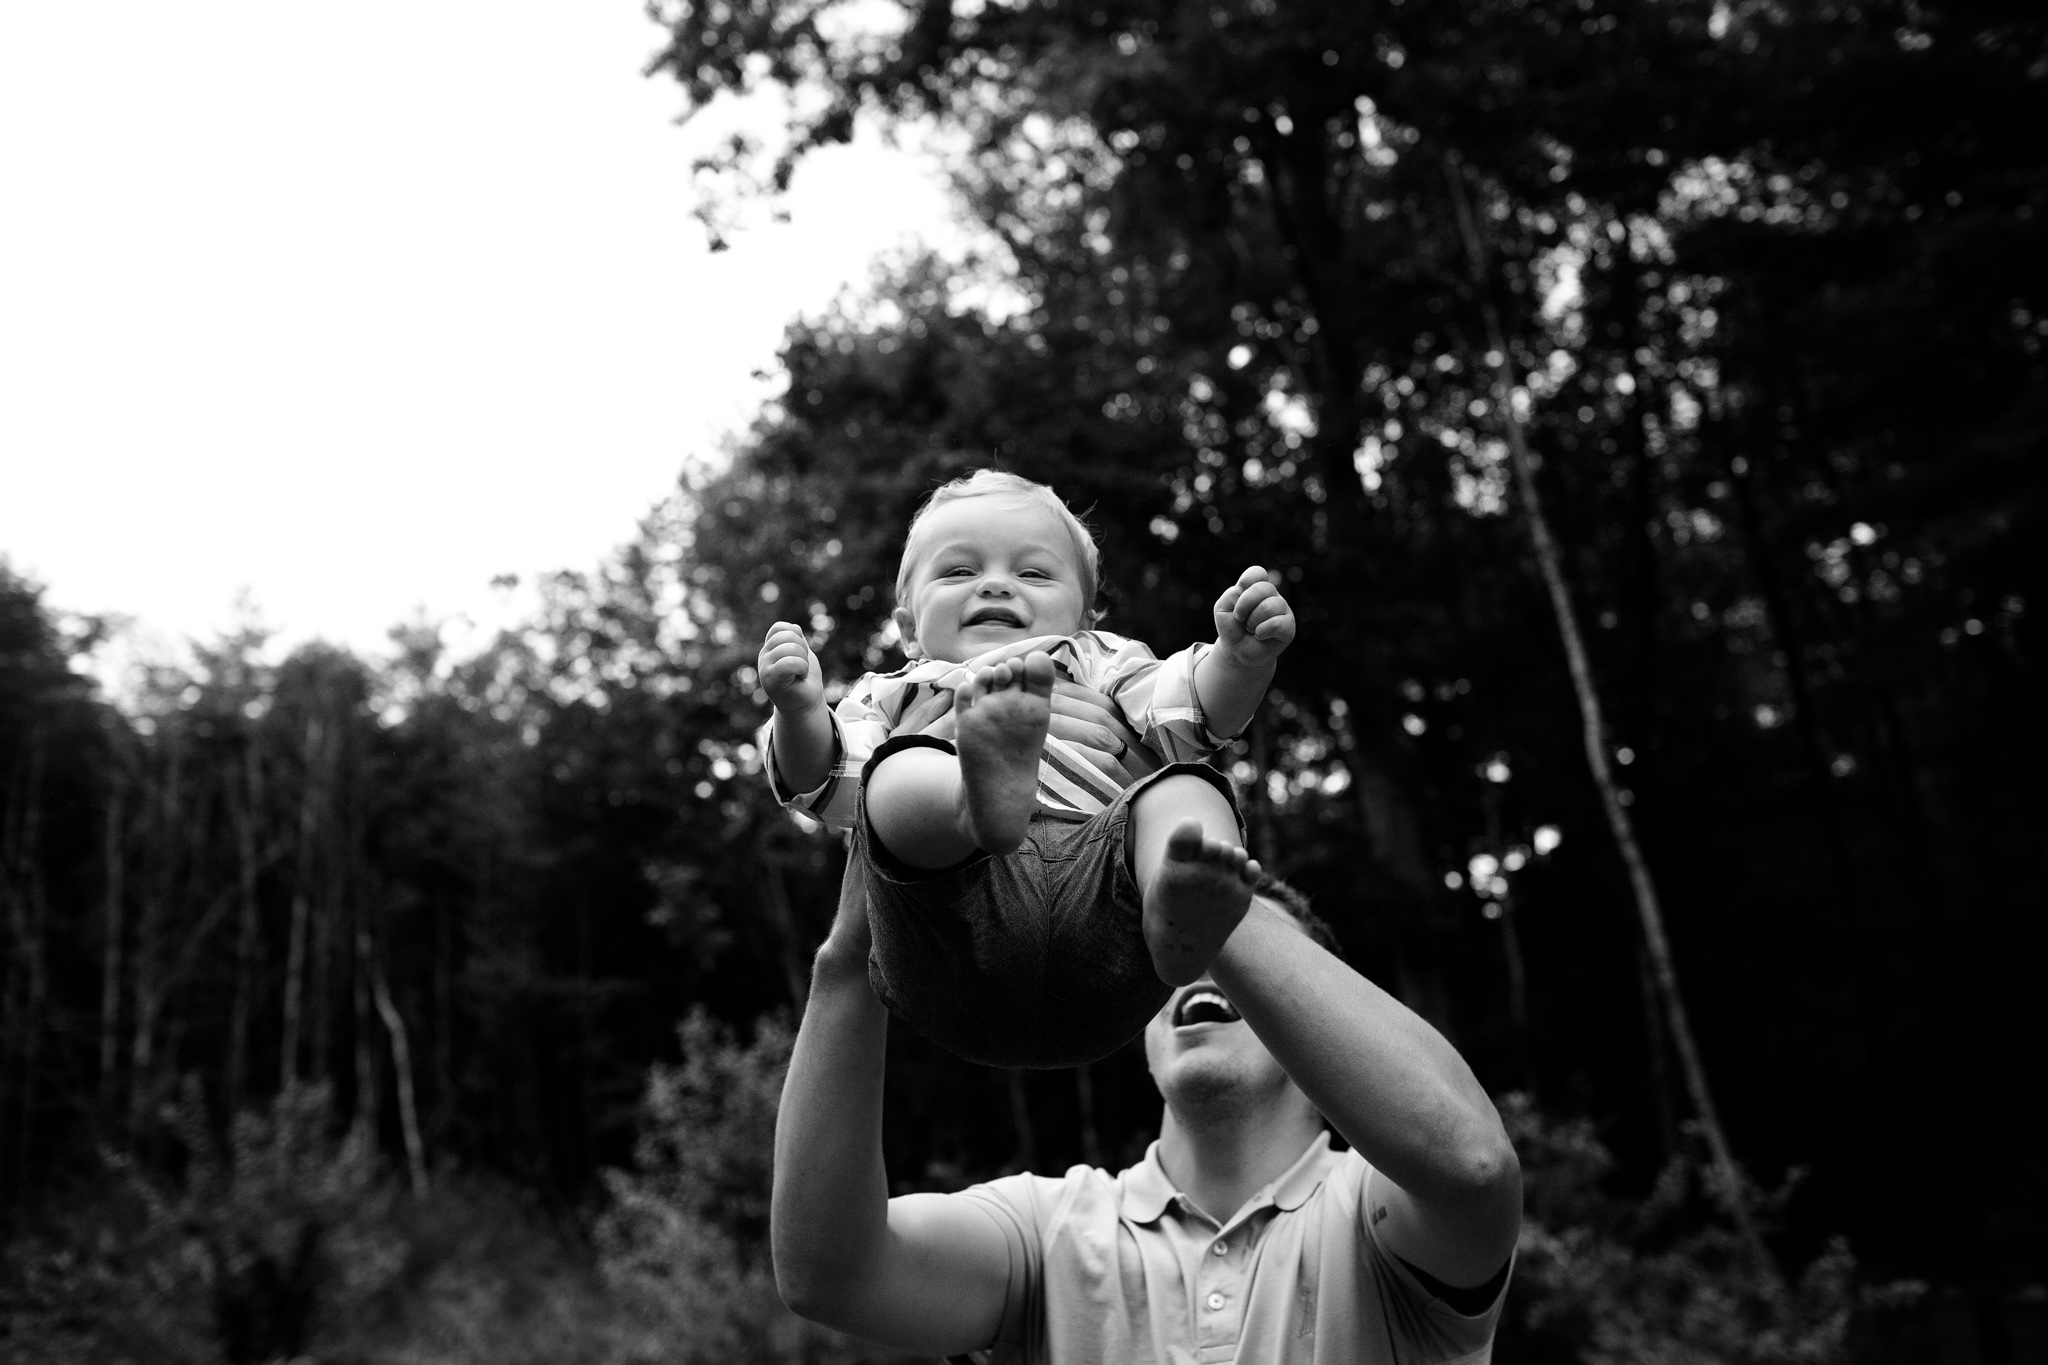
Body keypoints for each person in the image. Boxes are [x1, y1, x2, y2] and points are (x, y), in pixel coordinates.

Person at [770, 827, 1524, 1364]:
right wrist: (849, 956)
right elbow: (830, 1271)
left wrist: (1198, 897)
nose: (1198, 968)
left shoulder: (1374, 1216)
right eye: (1175, 952)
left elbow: (1474, 1164)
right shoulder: (1045, 1233)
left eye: (1232, 960)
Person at [756, 469, 1296, 1068]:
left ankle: (1178, 900)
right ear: (908, 627)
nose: (995, 585)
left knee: (1187, 788)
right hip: (947, 926)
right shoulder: (894, 692)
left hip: (1104, 896)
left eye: (1033, 572)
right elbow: (826, 780)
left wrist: (1238, 662)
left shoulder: (1101, 662)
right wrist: (801, 710)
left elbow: (1187, 709)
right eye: (959, 570)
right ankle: (969, 800)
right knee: (890, 771)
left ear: (1086, 616)